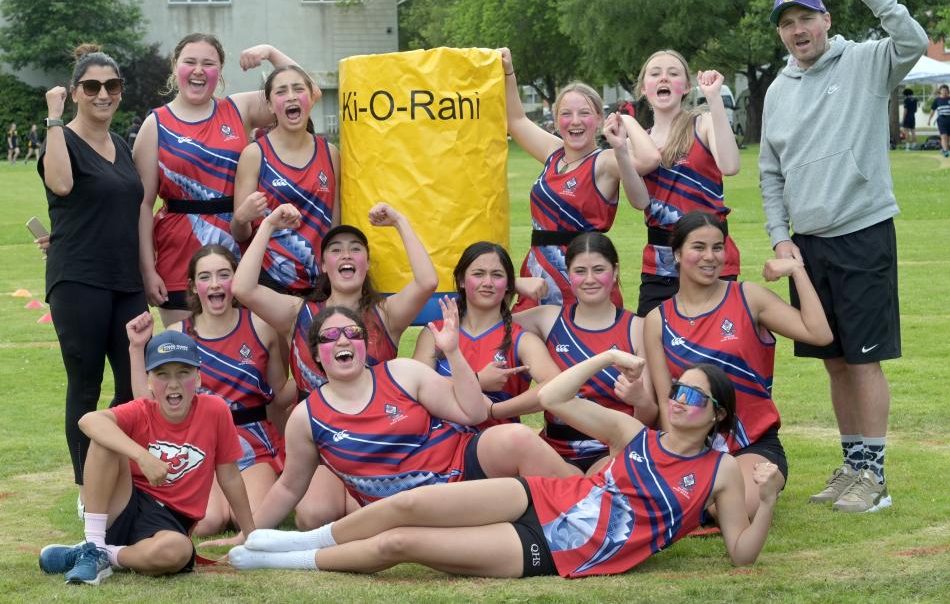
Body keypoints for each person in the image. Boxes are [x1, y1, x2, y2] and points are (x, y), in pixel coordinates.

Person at [226, 354, 783, 578]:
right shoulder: (634, 433)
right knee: (410, 503)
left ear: (717, 417)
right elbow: (556, 398)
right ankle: (285, 542)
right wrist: (610, 358)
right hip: (543, 498)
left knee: (404, 543)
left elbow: (741, 554)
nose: (682, 401)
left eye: (696, 398)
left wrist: (772, 495)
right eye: (680, 390)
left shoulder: (721, 471)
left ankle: (280, 565)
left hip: (564, 551)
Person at [203, 300, 580, 549]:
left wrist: (452, 351)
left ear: (365, 344)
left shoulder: (401, 373)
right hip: (410, 507)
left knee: (514, 437)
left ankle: (593, 495)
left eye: (352, 333)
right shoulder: (307, 417)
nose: (343, 341)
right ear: (316, 353)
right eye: (329, 337)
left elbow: (473, 413)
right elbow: (288, 487)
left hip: (462, 468)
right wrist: (247, 535)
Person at [759, 0, 927, 513]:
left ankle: (873, 479)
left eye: (805, 18)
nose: (797, 31)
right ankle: (851, 465)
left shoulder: (866, 61)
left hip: (862, 231)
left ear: (826, 19)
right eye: (787, 23)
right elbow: (769, 172)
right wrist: (779, 236)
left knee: (864, 361)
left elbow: (914, 40)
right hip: (807, 246)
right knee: (832, 361)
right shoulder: (778, 88)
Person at [232, 201, 437, 528]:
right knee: (314, 515)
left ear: (366, 264)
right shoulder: (298, 312)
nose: (346, 255)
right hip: (319, 441)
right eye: (336, 250)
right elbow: (242, 288)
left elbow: (427, 282)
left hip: (373, 439)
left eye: (356, 250)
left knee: (370, 518)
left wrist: (399, 220)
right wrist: (269, 224)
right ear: (324, 265)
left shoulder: (386, 315)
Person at [643, 212, 832, 517]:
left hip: (752, 446)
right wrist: (679, 460)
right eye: (699, 247)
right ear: (677, 253)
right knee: (670, 502)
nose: (710, 257)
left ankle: (734, 492)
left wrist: (797, 271)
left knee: (728, 509)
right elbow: (668, 403)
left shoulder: (748, 297)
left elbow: (819, 334)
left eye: (718, 247)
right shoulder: (657, 320)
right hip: (692, 447)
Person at [38, 323, 255, 585]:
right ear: (150, 380)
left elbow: (230, 476)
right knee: (106, 437)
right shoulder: (143, 409)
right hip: (125, 502)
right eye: (162, 374)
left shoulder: (215, 411)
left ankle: (103, 555)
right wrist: (143, 456)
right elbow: (88, 421)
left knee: (179, 551)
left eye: (183, 373)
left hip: (171, 521)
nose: (173, 384)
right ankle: (94, 545)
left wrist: (250, 534)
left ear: (198, 378)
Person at [38, 44, 148, 505]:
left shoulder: (122, 145)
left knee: (132, 384)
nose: (103, 94)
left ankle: (120, 478)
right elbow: (60, 184)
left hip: (126, 282)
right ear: (77, 92)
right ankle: (88, 490)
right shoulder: (61, 138)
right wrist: (54, 117)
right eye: (92, 86)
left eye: (112, 86)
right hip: (79, 280)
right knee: (85, 385)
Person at [134, 33, 297, 327]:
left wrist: (271, 52)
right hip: (177, 253)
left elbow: (303, 91)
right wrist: (147, 269)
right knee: (187, 355)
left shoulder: (238, 109)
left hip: (238, 249)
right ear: (175, 68)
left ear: (219, 72)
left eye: (208, 63)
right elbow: (143, 205)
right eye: (190, 62)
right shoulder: (155, 124)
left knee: (246, 353)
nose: (198, 70)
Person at [499, 47, 659, 311]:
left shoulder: (605, 161)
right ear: (555, 119)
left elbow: (650, 158)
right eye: (566, 114)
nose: (575, 121)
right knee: (527, 346)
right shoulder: (553, 153)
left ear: (598, 118)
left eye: (584, 113)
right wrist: (508, 71)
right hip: (538, 273)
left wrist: (626, 119)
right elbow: (515, 120)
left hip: (584, 276)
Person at [173, 245, 291, 536]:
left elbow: (278, 396)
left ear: (236, 280)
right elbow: (160, 403)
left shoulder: (261, 326)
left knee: (250, 519)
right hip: (200, 439)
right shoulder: (178, 333)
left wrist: (310, 376)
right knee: (207, 522)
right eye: (205, 277)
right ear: (193, 286)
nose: (215, 284)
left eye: (224, 275)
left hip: (253, 438)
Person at [514, 232, 657, 472]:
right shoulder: (547, 318)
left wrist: (640, 399)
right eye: (580, 271)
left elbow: (649, 416)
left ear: (615, 272)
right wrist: (514, 283)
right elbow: (478, 316)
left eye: (599, 269)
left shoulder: (637, 328)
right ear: (568, 275)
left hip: (612, 451)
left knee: (588, 492)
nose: (590, 279)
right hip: (554, 449)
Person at [631, 50, 741, 319]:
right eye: (655, 74)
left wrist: (714, 99)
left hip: (710, 257)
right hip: (660, 263)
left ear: (686, 87)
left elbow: (730, 165)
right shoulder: (639, 141)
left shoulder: (702, 123)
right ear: (643, 88)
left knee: (714, 349)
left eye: (673, 73)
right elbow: (639, 202)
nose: (664, 78)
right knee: (649, 347)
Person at [413, 242, 561, 428]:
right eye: (478, 274)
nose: (488, 283)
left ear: (508, 285)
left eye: (497, 275)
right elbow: (413, 387)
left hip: (497, 445)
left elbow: (556, 386)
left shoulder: (521, 340)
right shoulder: (434, 333)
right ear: (461, 280)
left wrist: (495, 410)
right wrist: (478, 381)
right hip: (440, 445)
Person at [231, 65, 340, 296]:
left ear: (311, 97)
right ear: (270, 105)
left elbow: (335, 225)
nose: (290, 96)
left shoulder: (330, 153)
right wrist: (241, 217)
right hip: (269, 281)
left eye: (298, 89)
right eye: (281, 91)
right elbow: (240, 232)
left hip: (321, 283)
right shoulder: (254, 155)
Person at [928, 83, 950, 157]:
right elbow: (932, 110)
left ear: (948, 91)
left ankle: (945, 149)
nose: (944, 92)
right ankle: (946, 151)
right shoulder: (937, 100)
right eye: (943, 90)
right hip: (941, 120)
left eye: (946, 90)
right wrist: (929, 120)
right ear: (940, 91)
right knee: (943, 136)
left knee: (948, 137)